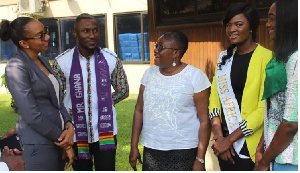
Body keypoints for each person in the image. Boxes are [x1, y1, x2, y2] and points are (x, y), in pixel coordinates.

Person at [52, 13, 129, 171]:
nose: (92, 35)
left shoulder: (110, 58)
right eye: (86, 31)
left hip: (105, 132)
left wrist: (105, 102)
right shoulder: (61, 62)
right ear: (75, 33)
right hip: (74, 132)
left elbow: (123, 90)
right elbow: (55, 99)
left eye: (95, 30)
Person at [129, 30, 211, 171]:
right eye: (156, 45)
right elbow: (139, 110)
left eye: (160, 47)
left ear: (175, 53)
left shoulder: (195, 77)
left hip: (184, 152)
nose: (155, 50)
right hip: (152, 150)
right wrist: (133, 146)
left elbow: (204, 121)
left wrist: (200, 158)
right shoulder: (149, 74)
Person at [1, 17, 75, 171]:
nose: (47, 37)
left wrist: (69, 125)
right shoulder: (16, 67)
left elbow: (57, 101)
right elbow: (32, 115)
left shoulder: (42, 61)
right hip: (38, 145)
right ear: (24, 43)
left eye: (45, 32)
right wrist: (63, 139)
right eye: (40, 35)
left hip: (56, 140)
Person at [208, 3, 272, 171]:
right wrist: (220, 137)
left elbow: (263, 107)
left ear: (251, 27)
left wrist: (229, 140)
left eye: (238, 24)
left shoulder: (267, 58)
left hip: (248, 145)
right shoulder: (224, 58)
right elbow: (214, 98)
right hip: (223, 145)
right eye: (228, 25)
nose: (231, 29)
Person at [254, 0, 298, 171]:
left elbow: (291, 123)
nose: (267, 24)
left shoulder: (296, 60)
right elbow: (274, 111)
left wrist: (264, 161)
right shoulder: (282, 59)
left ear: (289, 21)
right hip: (276, 154)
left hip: (291, 159)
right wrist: (262, 146)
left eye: (272, 19)